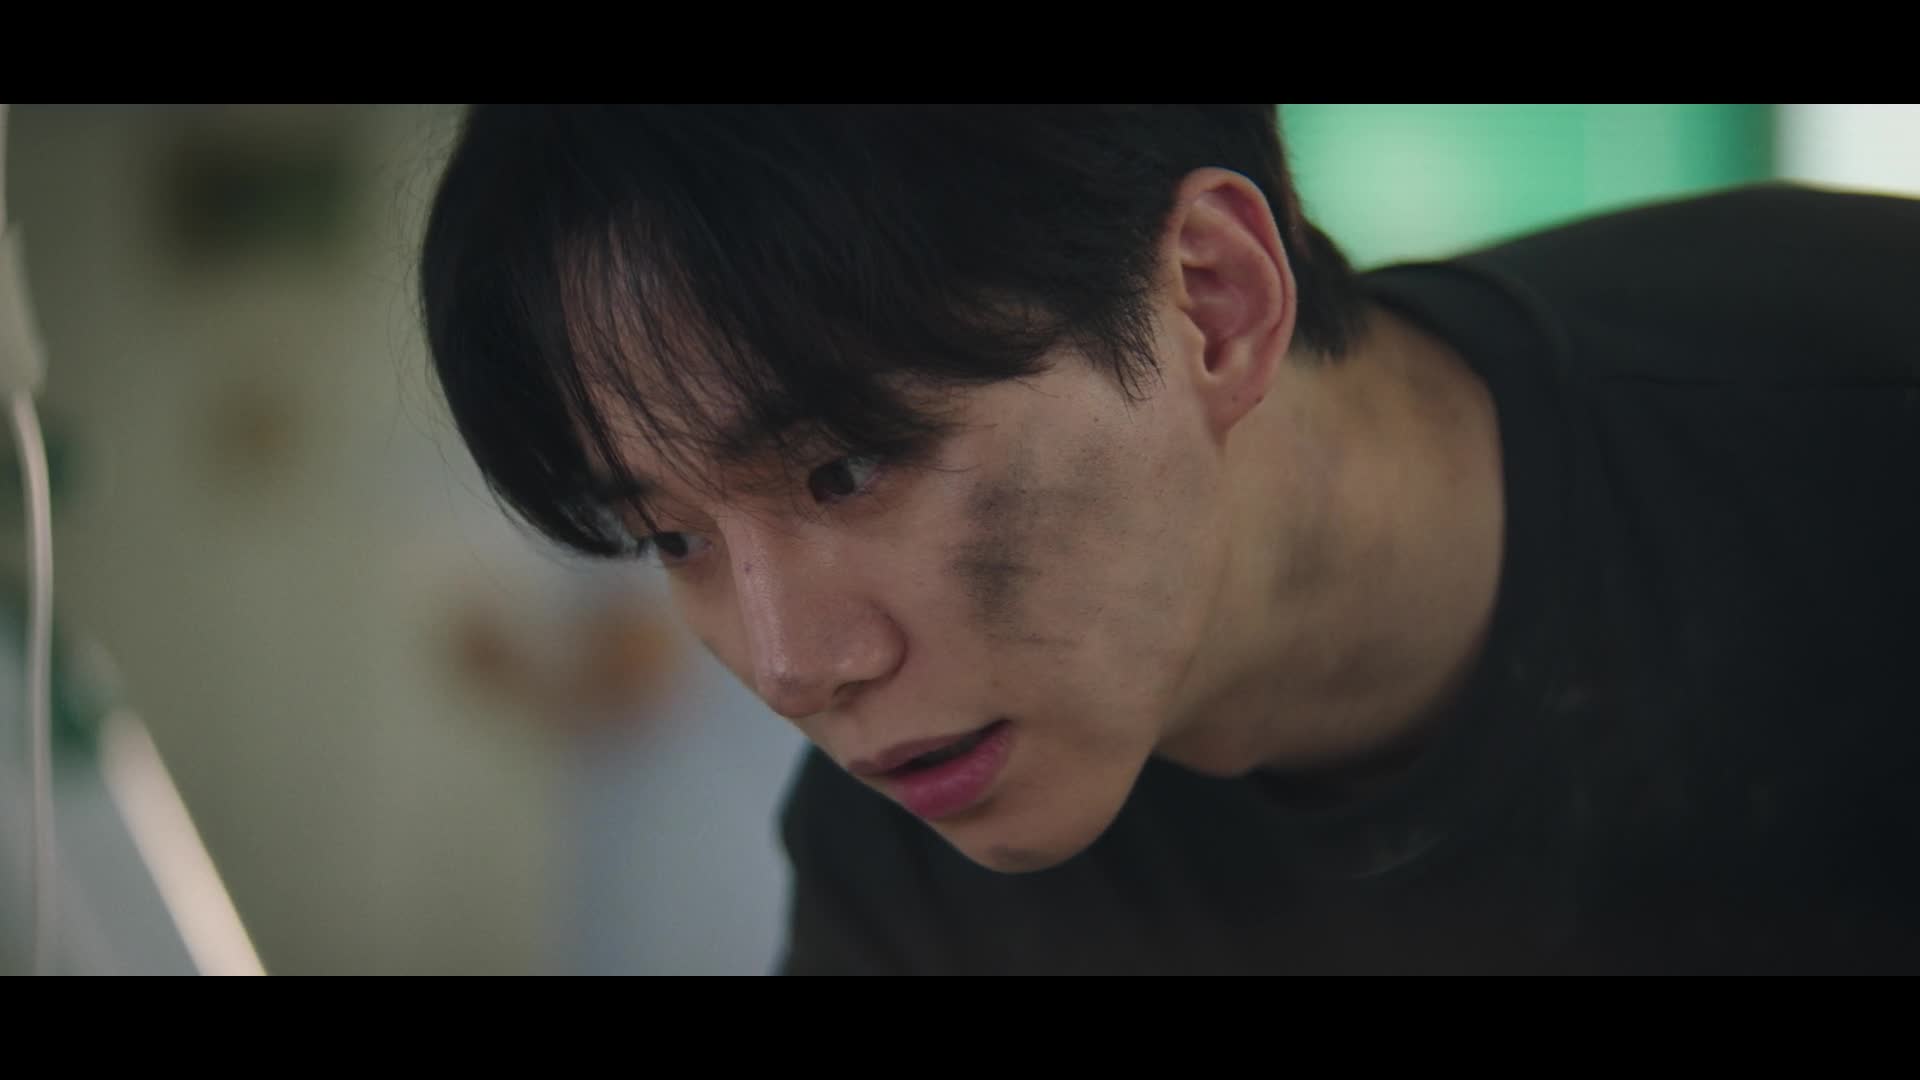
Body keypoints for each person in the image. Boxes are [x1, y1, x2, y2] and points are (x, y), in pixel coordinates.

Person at [417, 105, 1920, 974]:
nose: (794, 666)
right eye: (669, 537)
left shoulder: (1852, 418)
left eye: (848, 466)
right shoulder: (909, 881)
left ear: (1213, 299)